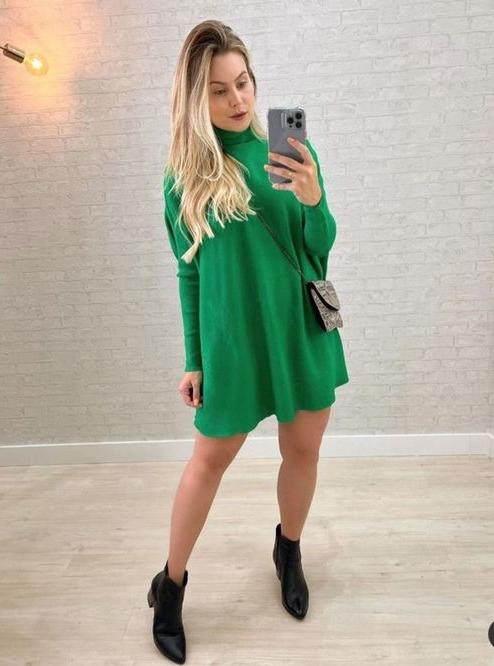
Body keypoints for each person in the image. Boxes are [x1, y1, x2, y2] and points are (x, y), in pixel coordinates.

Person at [147, 19, 349, 664]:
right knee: (207, 463)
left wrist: (314, 200)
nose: (237, 99)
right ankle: (170, 585)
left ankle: (288, 549)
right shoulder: (183, 180)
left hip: (298, 329)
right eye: (218, 90)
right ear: (194, 99)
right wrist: (194, 359)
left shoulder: (289, 154)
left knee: (303, 451)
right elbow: (189, 274)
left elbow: (318, 251)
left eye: (243, 82)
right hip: (233, 341)